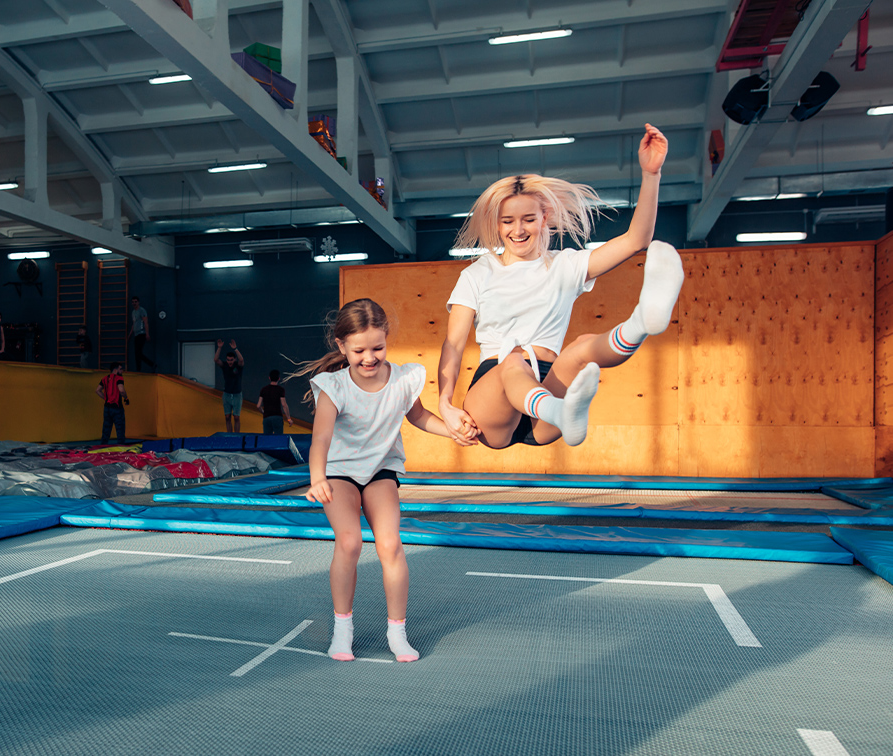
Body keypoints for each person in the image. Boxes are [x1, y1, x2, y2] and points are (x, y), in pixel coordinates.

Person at [437, 123, 683, 450]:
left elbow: (636, 240)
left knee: (582, 347)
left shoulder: (564, 265)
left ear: (545, 217)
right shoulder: (478, 273)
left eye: (528, 219)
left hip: (546, 386)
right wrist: (445, 404)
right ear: (496, 224)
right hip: (493, 397)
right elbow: (453, 345)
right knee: (513, 363)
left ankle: (639, 323)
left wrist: (651, 174)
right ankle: (562, 412)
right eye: (508, 221)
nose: (518, 230)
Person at [293, 298, 453, 663]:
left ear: (386, 339)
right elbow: (321, 439)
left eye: (377, 348)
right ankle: (342, 629)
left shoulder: (402, 380)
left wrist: (453, 432)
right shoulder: (334, 387)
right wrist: (317, 478)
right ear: (342, 346)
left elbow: (419, 416)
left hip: (381, 469)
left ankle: (397, 632)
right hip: (339, 471)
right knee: (349, 542)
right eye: (359, 351)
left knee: (391, 545)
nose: (370, 358)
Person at [215, 339, 244, 432]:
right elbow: (216, 360)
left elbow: (241, 360)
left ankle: (237, 435)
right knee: (227, 417)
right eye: (228, 360)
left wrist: (235, 349)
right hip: (227, 394)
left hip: (237, 394)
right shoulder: (225, 365)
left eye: (231, 360)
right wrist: (219, 348)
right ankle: (229, 434)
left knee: (236, 417)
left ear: (234, 359)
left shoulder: (238, 366)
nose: (229, 362)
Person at [96, 362, 129, 445]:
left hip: (107, 408)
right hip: (117, 407)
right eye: (120, 369)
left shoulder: (105, 378)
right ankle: (121, 448)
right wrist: (126, 398)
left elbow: (98, 390)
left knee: (106, 430)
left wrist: (106, 398)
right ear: (115, 370)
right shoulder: (119, 378)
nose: (122, 371)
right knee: (120, 430)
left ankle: (102, 447)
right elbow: (121, 390)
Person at [257, 370, 293, 434]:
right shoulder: (280, 390)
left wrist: (263, 412)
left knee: (267, 438)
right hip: (277, 417)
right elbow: (284, 405)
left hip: (266, 417)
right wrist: (289, 418)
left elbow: (258, 406)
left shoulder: (264, 389)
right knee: (278, 438)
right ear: (279, 379)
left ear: (269, 378)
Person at [129, 297, 156, 373]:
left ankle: (151, 364)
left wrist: (147, 334)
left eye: (135, 302)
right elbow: (134, 324)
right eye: (133, 302)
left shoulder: (142, 311)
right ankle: (138, 369)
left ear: (138, 302)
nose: (134, 303)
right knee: (137, 353)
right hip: (136, 334)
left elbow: (146, 322)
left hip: (141, 333)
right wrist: (130, 334)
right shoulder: (133, 312)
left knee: (138, 352)